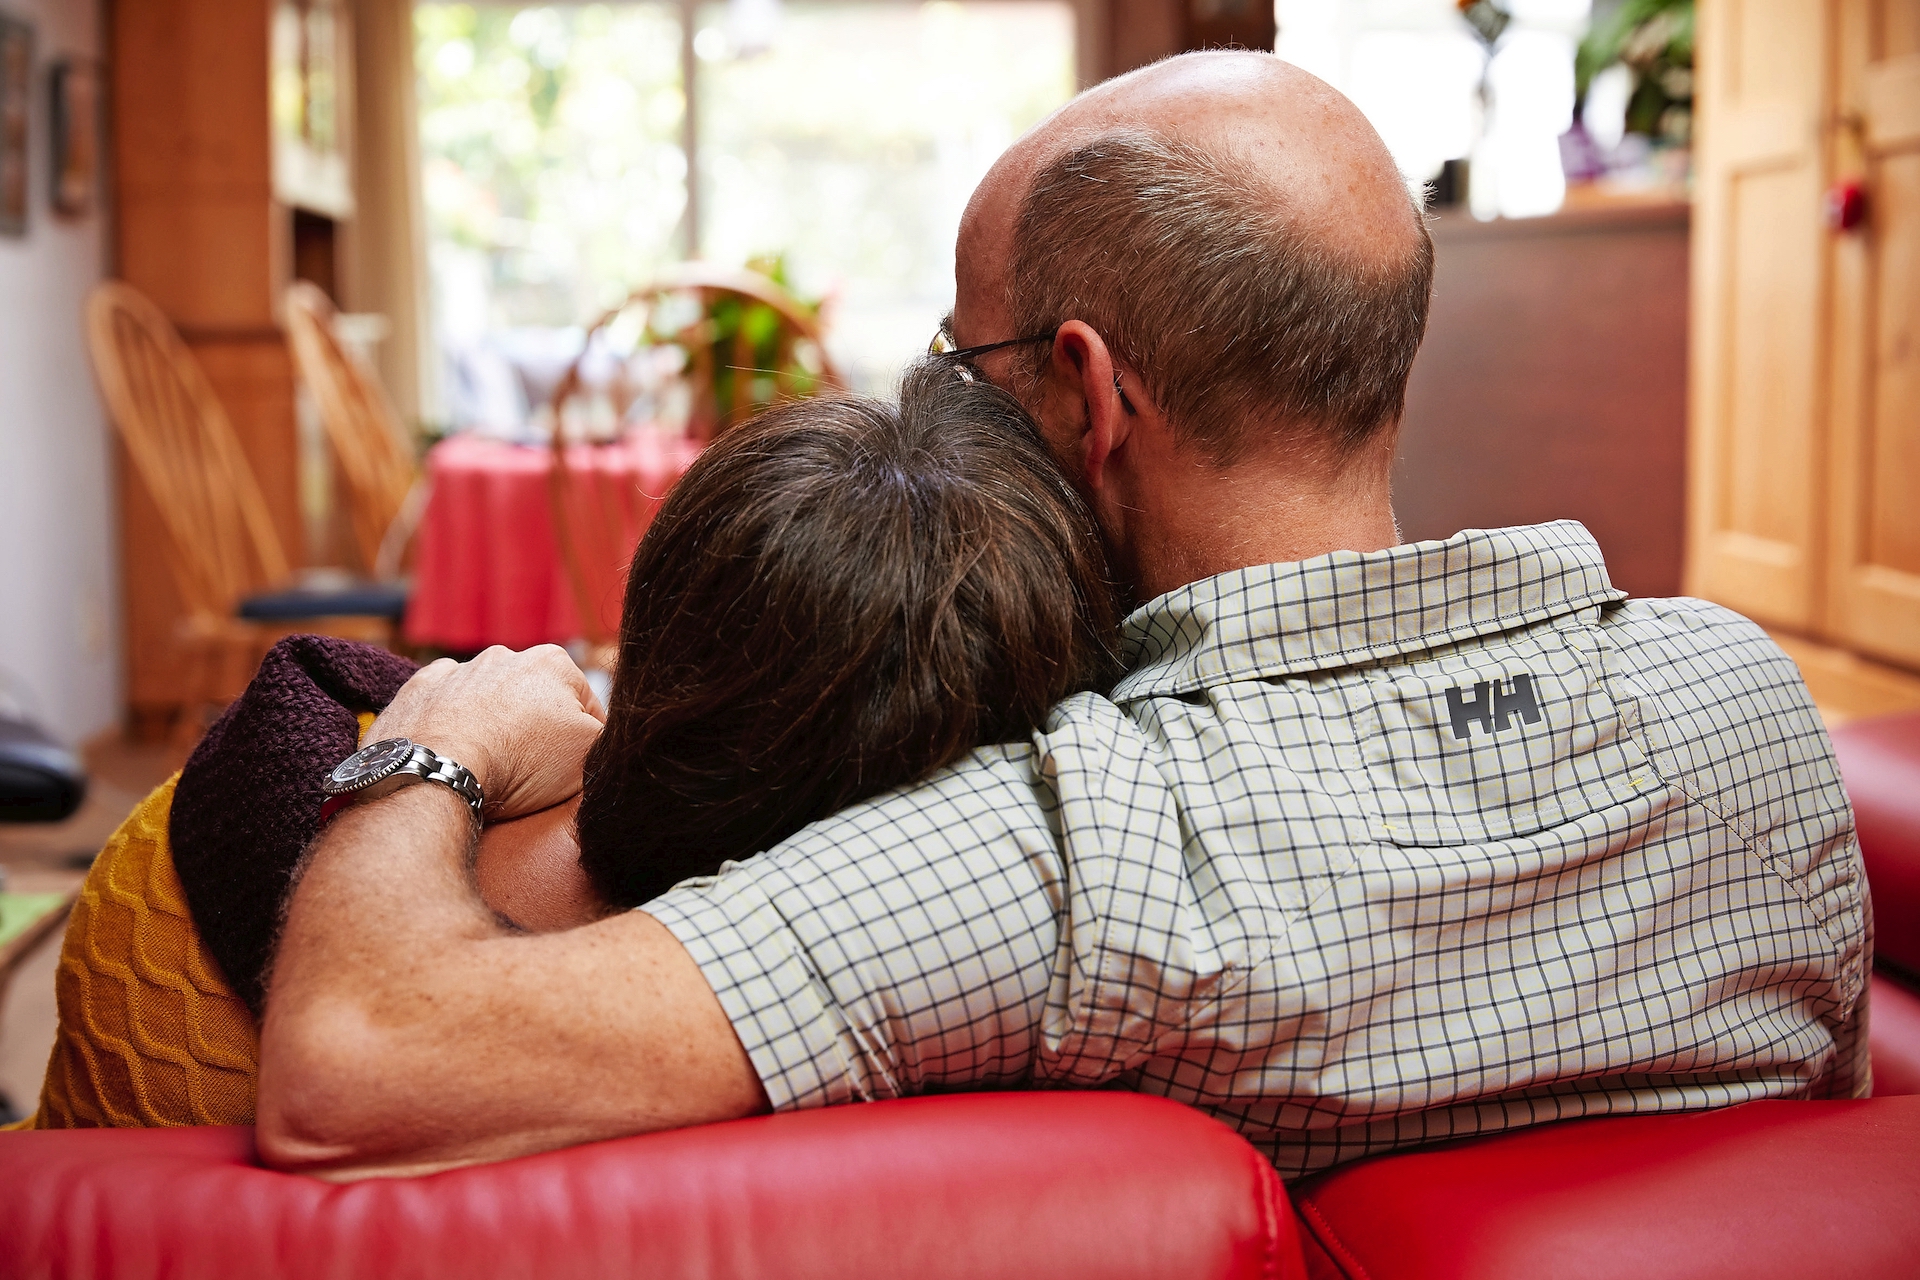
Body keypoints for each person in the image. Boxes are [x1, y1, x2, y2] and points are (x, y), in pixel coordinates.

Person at [256, 51, 1867, 1181]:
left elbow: (360, 1064)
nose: (955, 403)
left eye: (972, 362)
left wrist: (432, 752)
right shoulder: (1745, 696)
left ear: (1091, 391)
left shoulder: (1066, 850)